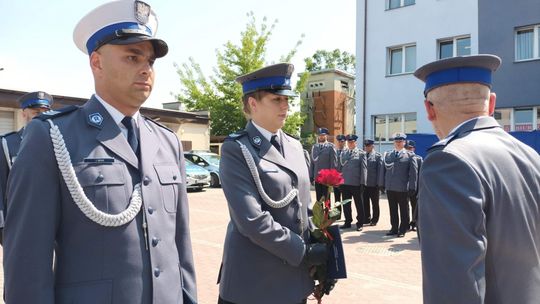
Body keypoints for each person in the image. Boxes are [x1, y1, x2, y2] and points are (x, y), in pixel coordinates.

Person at [3, 1, 197, 303]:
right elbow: (27, 262)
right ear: (97, 62)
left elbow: (180, 247)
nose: (145, 69)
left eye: (150, 61)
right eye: (132, 57)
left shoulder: (166, 141)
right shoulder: (52, 136)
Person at [414, 54, 540, 303]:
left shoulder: (448, 160)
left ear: (429, 109)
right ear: (491, 103)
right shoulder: (530, 156)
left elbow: (454, 286)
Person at [217, 63, 330, 304]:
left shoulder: (295, 146)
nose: (285, 106)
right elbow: (251, 220)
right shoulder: (237, 149)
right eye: (276, 99)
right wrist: (303, 252)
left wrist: (326, 255)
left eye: (287, 99)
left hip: (295, 281)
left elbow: (305, 207)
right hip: (254, 284)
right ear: (253, 104)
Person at [0, 91, 53, 243]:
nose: (42, 116)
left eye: (46, 112)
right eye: (36, 112)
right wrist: (3, 231)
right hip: (19, 224)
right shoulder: (7, 144)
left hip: (52, 223)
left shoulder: (58, 143)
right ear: (24, 113)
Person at [382, 133, 418, 237]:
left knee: (404, 209)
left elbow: (413, 173)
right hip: (390, 187)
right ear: (393, 142)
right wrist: (383, 184)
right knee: (392, 209)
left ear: (404, 142)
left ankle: (403, 229)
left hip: (402, 187)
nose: (398, 143)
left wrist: (412, 187)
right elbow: (385, 171)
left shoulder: (410, 155)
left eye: (400, 141)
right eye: (396, 141)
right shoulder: (388, 155)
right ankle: (394, 228)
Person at [339, 134, 367, 231]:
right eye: (348, 142)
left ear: (355, 142)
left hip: (356, 183)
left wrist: (363, 183)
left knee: (359, 204)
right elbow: (340, 167)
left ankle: (360, 223)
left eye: (352, 142)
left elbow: (364, 169)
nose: (350, 143)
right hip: (345, 183)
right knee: (346, 204)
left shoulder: (361, 153)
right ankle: (347, 221)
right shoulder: (344, 153)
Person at [311, 127, 337, 202]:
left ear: (326, 136)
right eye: (319, 135)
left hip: (326, 178)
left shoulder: (331, 147)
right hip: (317, 177)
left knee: (326, 199)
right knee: (318, 199)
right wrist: (311, 176)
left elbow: (333, 163)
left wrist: (332, 177)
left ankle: (327, 214)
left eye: (323, 135)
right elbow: (312, 163)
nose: (321, 137)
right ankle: (319, 214)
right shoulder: (315, 147)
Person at [362, 139, 384, 226]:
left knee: (375, 203)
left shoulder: (378, 156)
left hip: (374, 184)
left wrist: (379, 183)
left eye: (368, 146)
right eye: (366, 146)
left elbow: (380, 171)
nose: (366, 147)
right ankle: (366, 218)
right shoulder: (363, 155)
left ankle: (375, 219)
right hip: (365, 184)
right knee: (365, 202)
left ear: (372, 146)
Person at [404, 140, 422, 231]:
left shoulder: (418, 159)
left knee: (415, 205)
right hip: (404, 187)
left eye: (410, 148)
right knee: (405, 206)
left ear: (414, 149)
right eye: (407, 148)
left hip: (415, 187)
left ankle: (414, 223)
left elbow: (420, 174)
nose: (409, 150)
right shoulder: (403, 158)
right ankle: (406, 223)